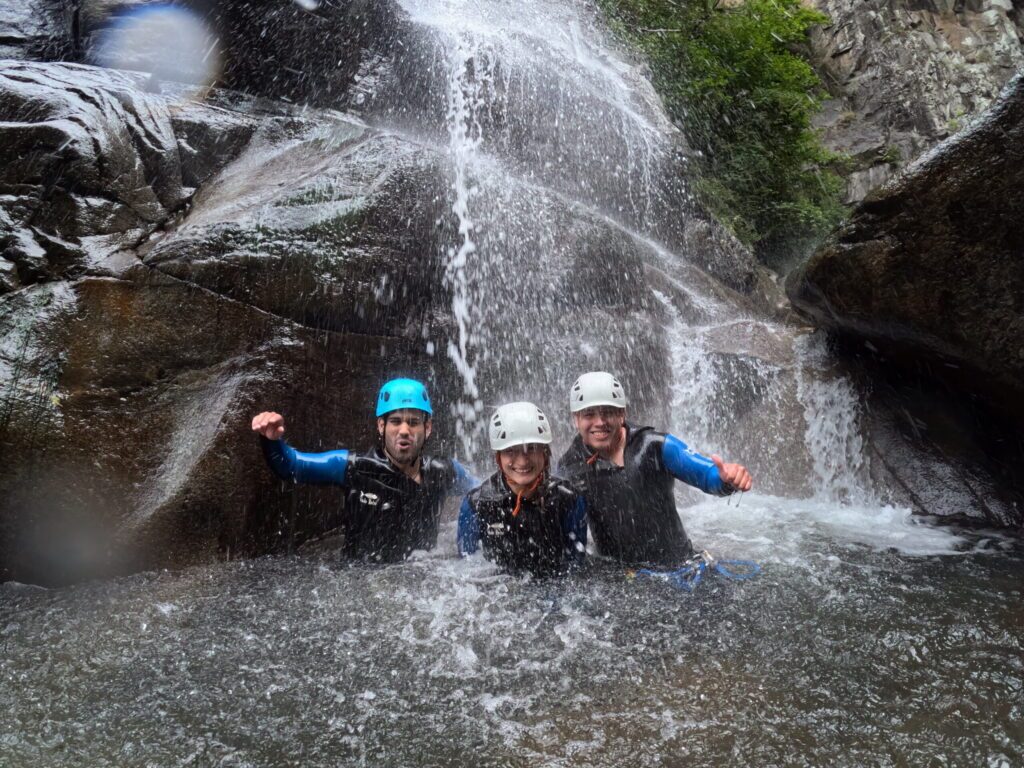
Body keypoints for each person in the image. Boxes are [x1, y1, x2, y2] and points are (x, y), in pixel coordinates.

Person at [252, 378, 477, 562]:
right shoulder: (354, 468)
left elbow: (480, 492)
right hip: (361, 582)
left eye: (413, 422)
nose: (404, 430)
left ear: (427, 428)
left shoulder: (443, 471)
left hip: (422, 584)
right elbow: (292, 466)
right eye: (395, 421)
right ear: (381, 426)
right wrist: (272, 441)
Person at [557, 371, 752, 567]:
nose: (600, 422)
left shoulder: (654, 446)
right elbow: (569, 536)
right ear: (576, 419)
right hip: (617, 574)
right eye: (589, 414)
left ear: (622, 414)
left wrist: (726, 480)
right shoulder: (570, 468)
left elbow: (706, 474)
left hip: (678, 567)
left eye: (608, 412)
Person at [458, 402, 586, 577]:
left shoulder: (568, 499)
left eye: (531, 448)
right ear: (498, 457)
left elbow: (576, 566)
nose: (522, 461)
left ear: (545, 452)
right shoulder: (476, 504)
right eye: (510, 451)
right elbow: (465, 569)